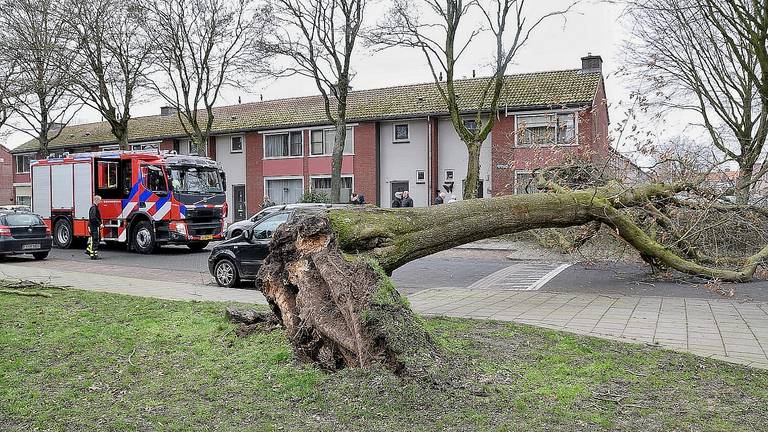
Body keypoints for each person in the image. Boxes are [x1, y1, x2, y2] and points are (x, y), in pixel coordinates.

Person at [87, 195, 102, 260]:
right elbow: (93, 218)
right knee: (95, 240)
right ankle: (94, 255)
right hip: (94, 226)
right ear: (97, 200)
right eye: (100, 200)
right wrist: (99, 224)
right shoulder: (94, 208)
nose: (100, 202)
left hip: (93, 226)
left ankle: (91, 252)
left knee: (94, 240)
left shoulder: (93, 207)